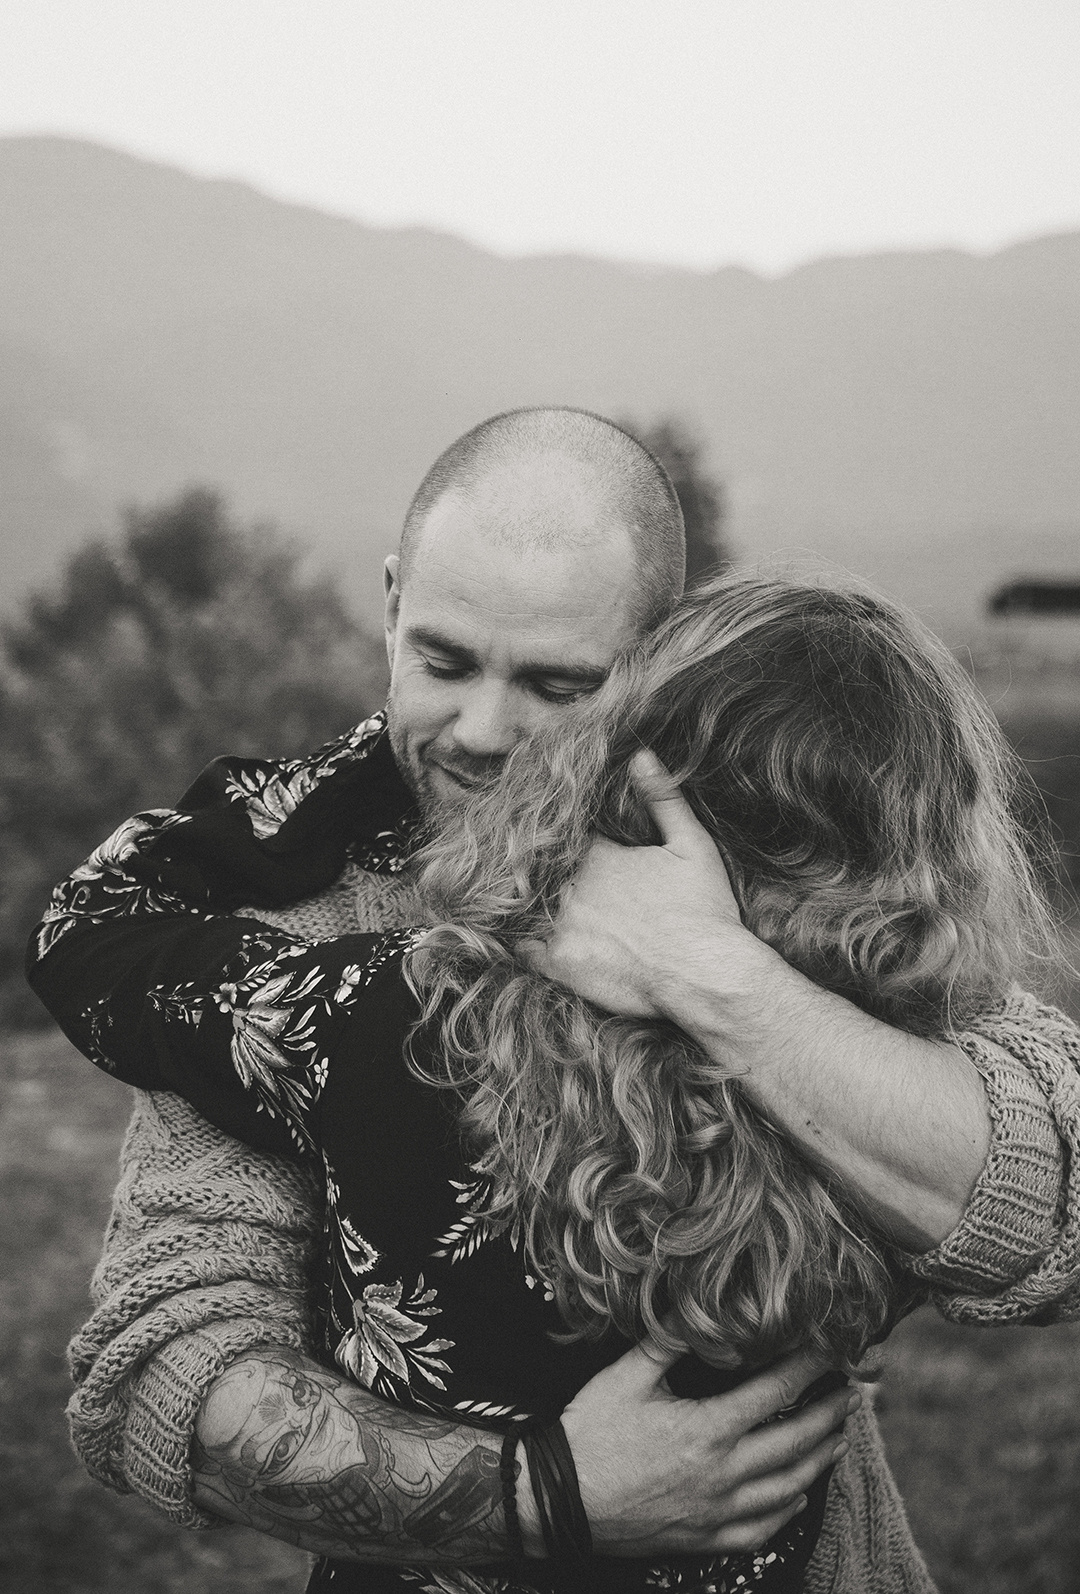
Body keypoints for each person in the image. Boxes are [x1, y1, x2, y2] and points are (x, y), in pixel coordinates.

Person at [33, 410, 1080, 1593]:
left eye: (555, 682)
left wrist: (710, 971)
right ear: (388, 604)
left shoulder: (764, 865)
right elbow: (168, 1367)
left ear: (656, 665)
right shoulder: (286, 907)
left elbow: (1054, 1181)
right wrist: (551, 1493)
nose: (483, 731)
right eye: (441, 660)